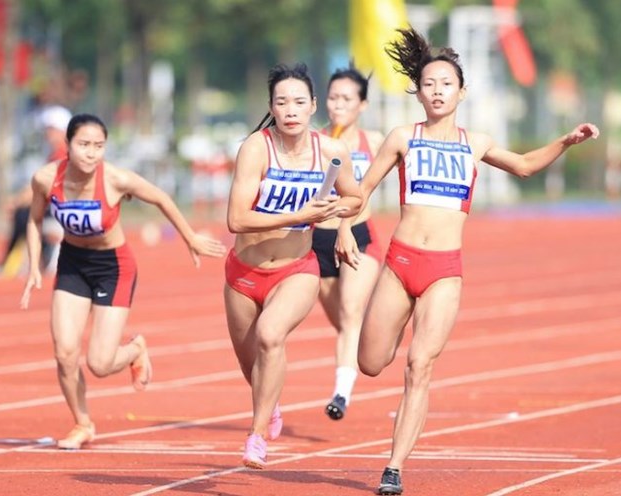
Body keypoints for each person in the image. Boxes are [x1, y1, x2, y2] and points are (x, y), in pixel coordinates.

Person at [335, 27, 600, 495]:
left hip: (443, 272)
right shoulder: (402, 137)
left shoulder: (474, 142)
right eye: (429, 84)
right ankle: (392, 325)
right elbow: (362, 192)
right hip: (399, 265)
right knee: (372, 362)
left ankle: (393, 468)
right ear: (417, 92)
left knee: (420, 367)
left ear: (462, 92)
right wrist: (342, 228)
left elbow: (522, 166)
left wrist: (565, 141)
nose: (437, 91)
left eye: (446, 84)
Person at [19, 113, 227, 450]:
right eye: (83, 145)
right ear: (67, 145)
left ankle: (135, 349)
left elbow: (161, 197)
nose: (91, 153)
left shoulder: (115, 179)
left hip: (112, 267)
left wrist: (189, 237)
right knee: (64, 353)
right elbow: (34, 218)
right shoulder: (45, 178)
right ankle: (82, 423)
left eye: (98, 146)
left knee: (99, 364)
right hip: (72, 264)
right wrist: (32, 266)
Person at [224, 63, 362, 469]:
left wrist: (337, 210)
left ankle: (257, 435)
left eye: (299, 101)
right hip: (243, 273)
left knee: (271, 336)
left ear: (313, 106)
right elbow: (236, 219)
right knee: (251, 365)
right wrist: (297, 213)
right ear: (271, 106)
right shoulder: (256, 148)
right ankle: (271, 405)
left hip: (296, 269)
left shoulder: (331, 152)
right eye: (282, 102)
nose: (290, 109)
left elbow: (355, 197)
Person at [315, 66, 384, 421]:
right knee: (343, 321)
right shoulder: (316, 141)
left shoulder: (374, 141)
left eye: (346, 99)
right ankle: (359, 353)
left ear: (363, 104)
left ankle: (341, 394)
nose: (338, 105)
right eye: (332, 97)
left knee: (351, 311)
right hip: (317, 241)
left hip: (358, 236)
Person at [0, 105, 71, 277]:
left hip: (67, 209)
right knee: (26, 212)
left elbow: (39, 187)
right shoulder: (55, 154)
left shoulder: (63, 155)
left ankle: (33, 259)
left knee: (24, 214)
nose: (47, 134)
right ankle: (36, 257)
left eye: (51, 129)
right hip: (58, 207)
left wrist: (15, 202)